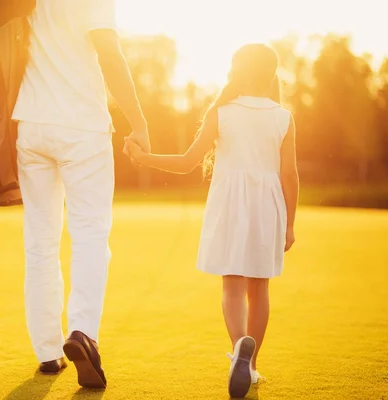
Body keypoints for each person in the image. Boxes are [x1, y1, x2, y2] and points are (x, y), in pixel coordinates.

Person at [124, 43, 300, 398]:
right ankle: (249, 368)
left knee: (231, 286)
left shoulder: (221, 112)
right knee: (259, 288)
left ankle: (239, 349)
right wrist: (291, 224)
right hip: (269, 205)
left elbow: (188, 162)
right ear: (271, 75)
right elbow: (290, 176)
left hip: (229, 203)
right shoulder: (283, 116)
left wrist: (144, 159)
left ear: (237, 72)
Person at [11, 0, 150, 389]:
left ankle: (47, 353)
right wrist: (138, 122)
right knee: (89, 233)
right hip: (82, 126)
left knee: (40, 242)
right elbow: (109, 52)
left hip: (31, 125)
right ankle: (83, 333)